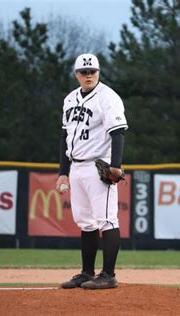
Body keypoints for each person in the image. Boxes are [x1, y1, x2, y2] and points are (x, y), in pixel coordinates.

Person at [56, 53, 128, 289]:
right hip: (76, 166)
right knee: (85, 222)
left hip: (99, 166)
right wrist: (63, 172)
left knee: (106, 219)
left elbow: (118, 132)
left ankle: (108, 275)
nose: (88, 75)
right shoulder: (69, 99)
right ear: (76, 74)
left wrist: (115, 166)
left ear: (98, 72)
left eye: (92, 71)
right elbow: (65, 137)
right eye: (84, 72)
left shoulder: (108, 97)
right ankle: (87, 272)